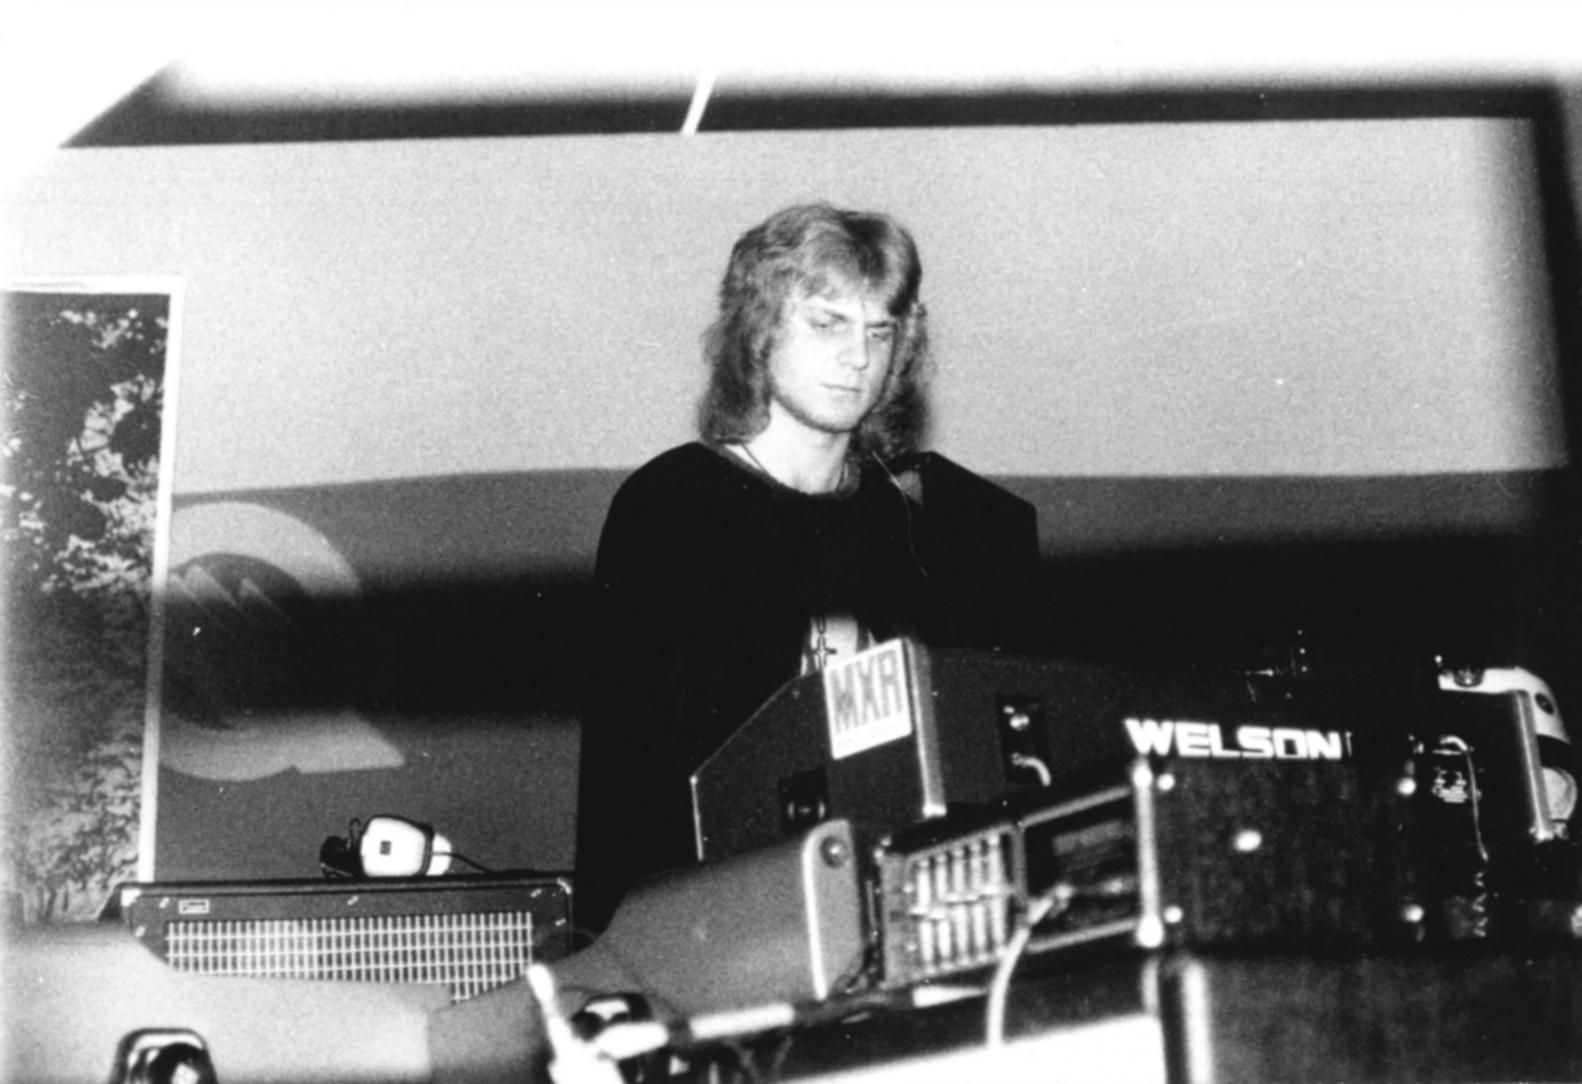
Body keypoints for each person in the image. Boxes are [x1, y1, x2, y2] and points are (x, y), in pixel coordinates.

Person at [574, 203, 1039, 934]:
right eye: (827, 325)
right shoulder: (674, 507)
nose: (858, 357)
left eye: (879, 331)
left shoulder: (916, 523)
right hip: (717, 923)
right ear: (760, 331)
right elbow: (630, 783)